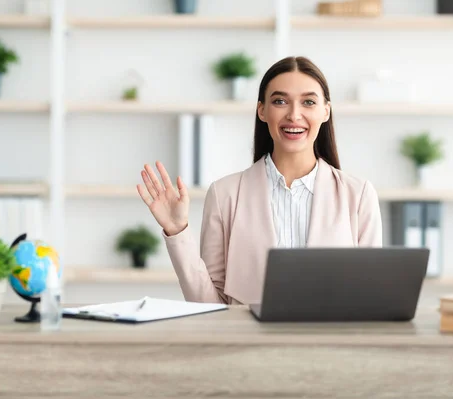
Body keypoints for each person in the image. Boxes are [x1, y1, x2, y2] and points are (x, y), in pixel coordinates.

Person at [137, 56, 382, 305]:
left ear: (326, 111)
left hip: (329, 343)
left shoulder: (358, 195)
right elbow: (210, 306)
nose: (294, 115)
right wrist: (177, 230)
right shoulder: (225, 195)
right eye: (280, 101)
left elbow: (370, 298)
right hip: (249, 343)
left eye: (308, 102)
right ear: (262, 110)